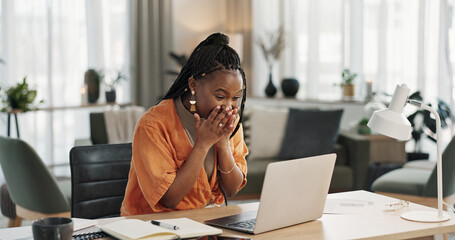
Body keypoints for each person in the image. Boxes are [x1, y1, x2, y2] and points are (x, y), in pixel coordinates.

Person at [121, 33, 248, 215]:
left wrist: (223, 143)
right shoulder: (152, 125)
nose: (229, 106)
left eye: (235, 98)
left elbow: (231, 190)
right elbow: (170, 199)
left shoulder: (230, 121)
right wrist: (203, 144)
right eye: (220, 97)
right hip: (153, 227)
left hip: (203, 225)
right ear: (194, 85)